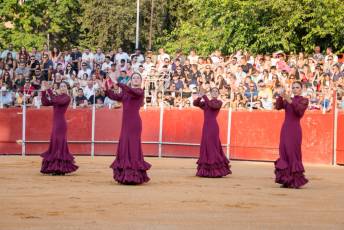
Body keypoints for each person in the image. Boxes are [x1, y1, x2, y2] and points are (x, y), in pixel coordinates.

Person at [104, 73, 151, 184]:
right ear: (131, 80)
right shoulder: (126, 92)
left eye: (137, 78)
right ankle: (125, 174)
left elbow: (129, 90)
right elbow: (114, 96)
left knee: (133, 146)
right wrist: (106, 88)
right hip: (125, 124)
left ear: (140, 81)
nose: (135, 79)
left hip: (134, 123)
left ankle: (134, 175)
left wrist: (118, 83)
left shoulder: (139, 91)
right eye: (133, 77)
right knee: (125, 145)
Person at [275, 81, 309, 188]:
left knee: (292, 153)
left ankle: (295, 180)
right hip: (285, 129)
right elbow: (278, 106)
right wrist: (280, 96)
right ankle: (286, 179)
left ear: (301, 89)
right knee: (283, 151)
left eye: (297, 87)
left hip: (294, 130)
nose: (295, 89)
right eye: (293, 87)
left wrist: (288, 99)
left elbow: (299, 112)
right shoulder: (289, 99)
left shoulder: (304, 100)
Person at [40, 81, 78, 175]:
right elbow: (45, 102)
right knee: (55, 144)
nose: (62, 88)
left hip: (61, 124)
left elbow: (57, 101)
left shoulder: (67, 97)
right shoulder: (56, 97)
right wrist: (44, 92)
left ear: (67, 88)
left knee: (59, 144)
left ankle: (60, 169)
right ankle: (55, 167)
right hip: (56, 124)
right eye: (61, 86)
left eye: (64, 86)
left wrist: (49, 89)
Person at [193, 87, 231, 177]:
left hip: (213, 127)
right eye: (213, 91)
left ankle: (215, 171)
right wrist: (199, 96)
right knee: (206, 146)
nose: (214, 92)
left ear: (218, 94)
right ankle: (206, 170)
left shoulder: (219, 102)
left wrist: (204, 96)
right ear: (210, 93)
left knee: (212, 146)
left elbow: (212, 105)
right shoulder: (207, 102)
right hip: (206, 127)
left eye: (216, 91)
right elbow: (195, 104)